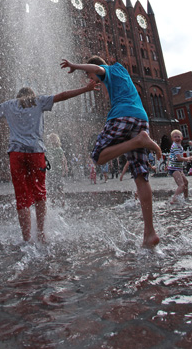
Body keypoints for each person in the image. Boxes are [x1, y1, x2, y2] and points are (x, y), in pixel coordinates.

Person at [0, 79, 97, 243]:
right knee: (40, 193)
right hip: (36, 152)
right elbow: (62, 95)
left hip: (16, 154)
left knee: (22, 196)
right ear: (32, 95)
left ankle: (27, 238)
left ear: (18, 96)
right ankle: (41, 234)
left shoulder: (10, 105)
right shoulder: (39, 101)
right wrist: (86, 89)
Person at [61, 56, 162, 248]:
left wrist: (75, 66)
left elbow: (98, 69)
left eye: (89, 75)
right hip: (141, 119)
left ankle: (138, 142)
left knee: (98, 156)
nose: (91, 79)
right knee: (141, 176)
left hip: (122, 115)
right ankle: (150, 232)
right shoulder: (122, 71)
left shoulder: (108, 70)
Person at [168, 130, 192, 204]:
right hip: (174, 168)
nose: (177, 138)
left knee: (186, 182)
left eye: (178, 136)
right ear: (172, 138)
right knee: (181, 184)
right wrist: (187, 159)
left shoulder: (179, 146)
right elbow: (179, 158)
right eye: (175, 137)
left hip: (178, 168)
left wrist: (167, 165)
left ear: (181, 138)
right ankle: (173, 200)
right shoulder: (175, 146)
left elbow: (170, 156)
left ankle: (186, 198)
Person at [46, 133, 68, 206]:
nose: (52, 140)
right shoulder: (48, 149)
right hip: (50, 171)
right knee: (51, 188)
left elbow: (63, 159)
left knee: (60, 187)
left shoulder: (59, 149)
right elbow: (45, 160)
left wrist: (65, 167)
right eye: (51, 139)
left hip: (58, 171)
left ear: (57, 140)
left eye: (54, 139)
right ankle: (52, 202)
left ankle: (63, 202)